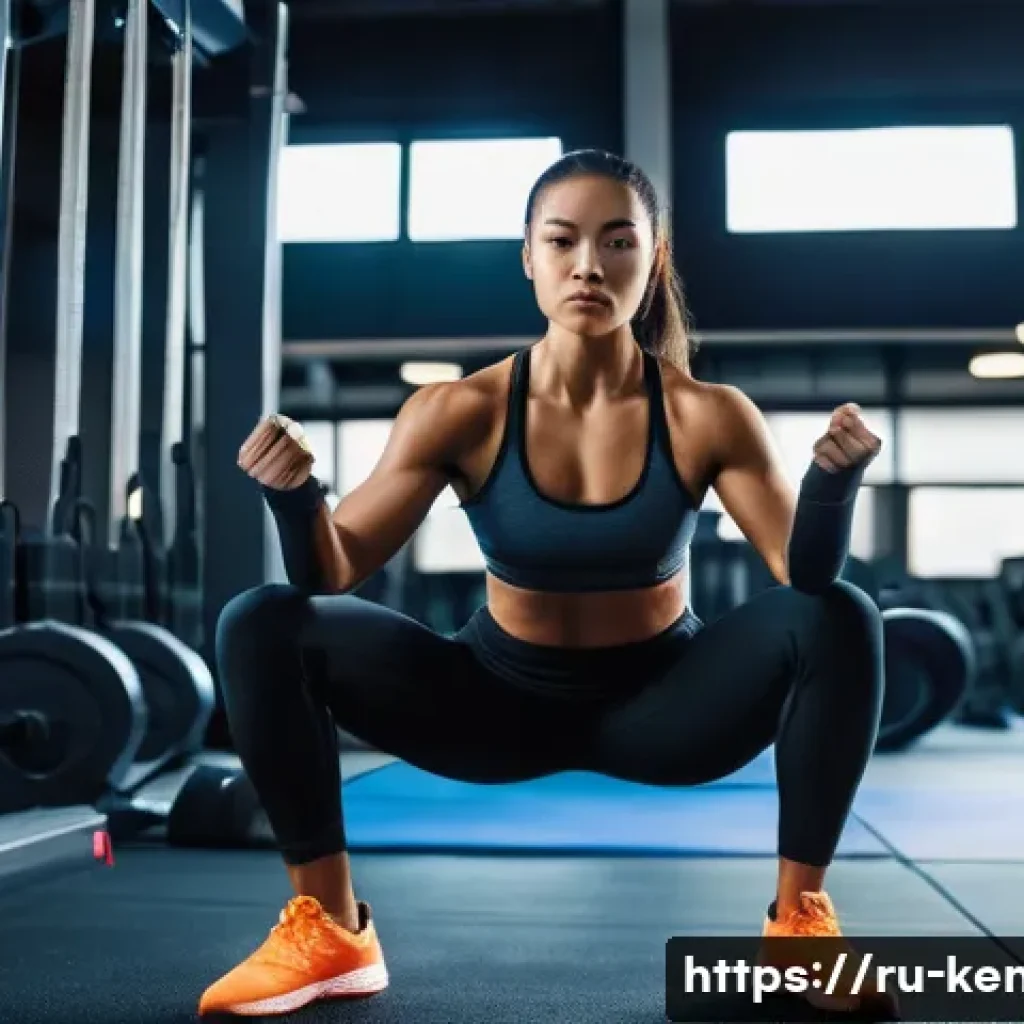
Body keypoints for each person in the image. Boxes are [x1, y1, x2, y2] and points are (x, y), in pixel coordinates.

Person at [199, 149, 889, 1018]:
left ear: (654, 258)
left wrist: (831, 485)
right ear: (528, 257)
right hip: (495, 704)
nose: (588, 266)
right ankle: (332, 930)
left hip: (667, 710)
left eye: (617, 242)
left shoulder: (708, 413)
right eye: (562, 241)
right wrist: (296, 497)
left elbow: (806, 576)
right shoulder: (460, 410)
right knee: (262, 619)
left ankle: (798, 929)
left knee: (842, 613)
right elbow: (329, 570)